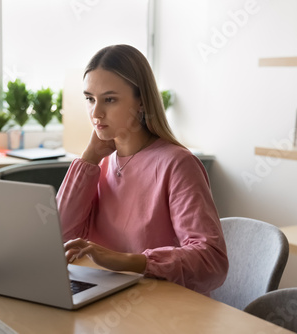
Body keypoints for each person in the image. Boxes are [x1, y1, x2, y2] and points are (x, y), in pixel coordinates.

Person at [57, 44, 228, 295]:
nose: (96, 113)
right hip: (106, 297)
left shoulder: (178, 164)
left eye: (110, 99)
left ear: (140, 102)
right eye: (90, 99)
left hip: (161, 306)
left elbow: (211, 261)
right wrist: (89, 159)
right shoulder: (99, 164)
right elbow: (59, 237)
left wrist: (126, 261)